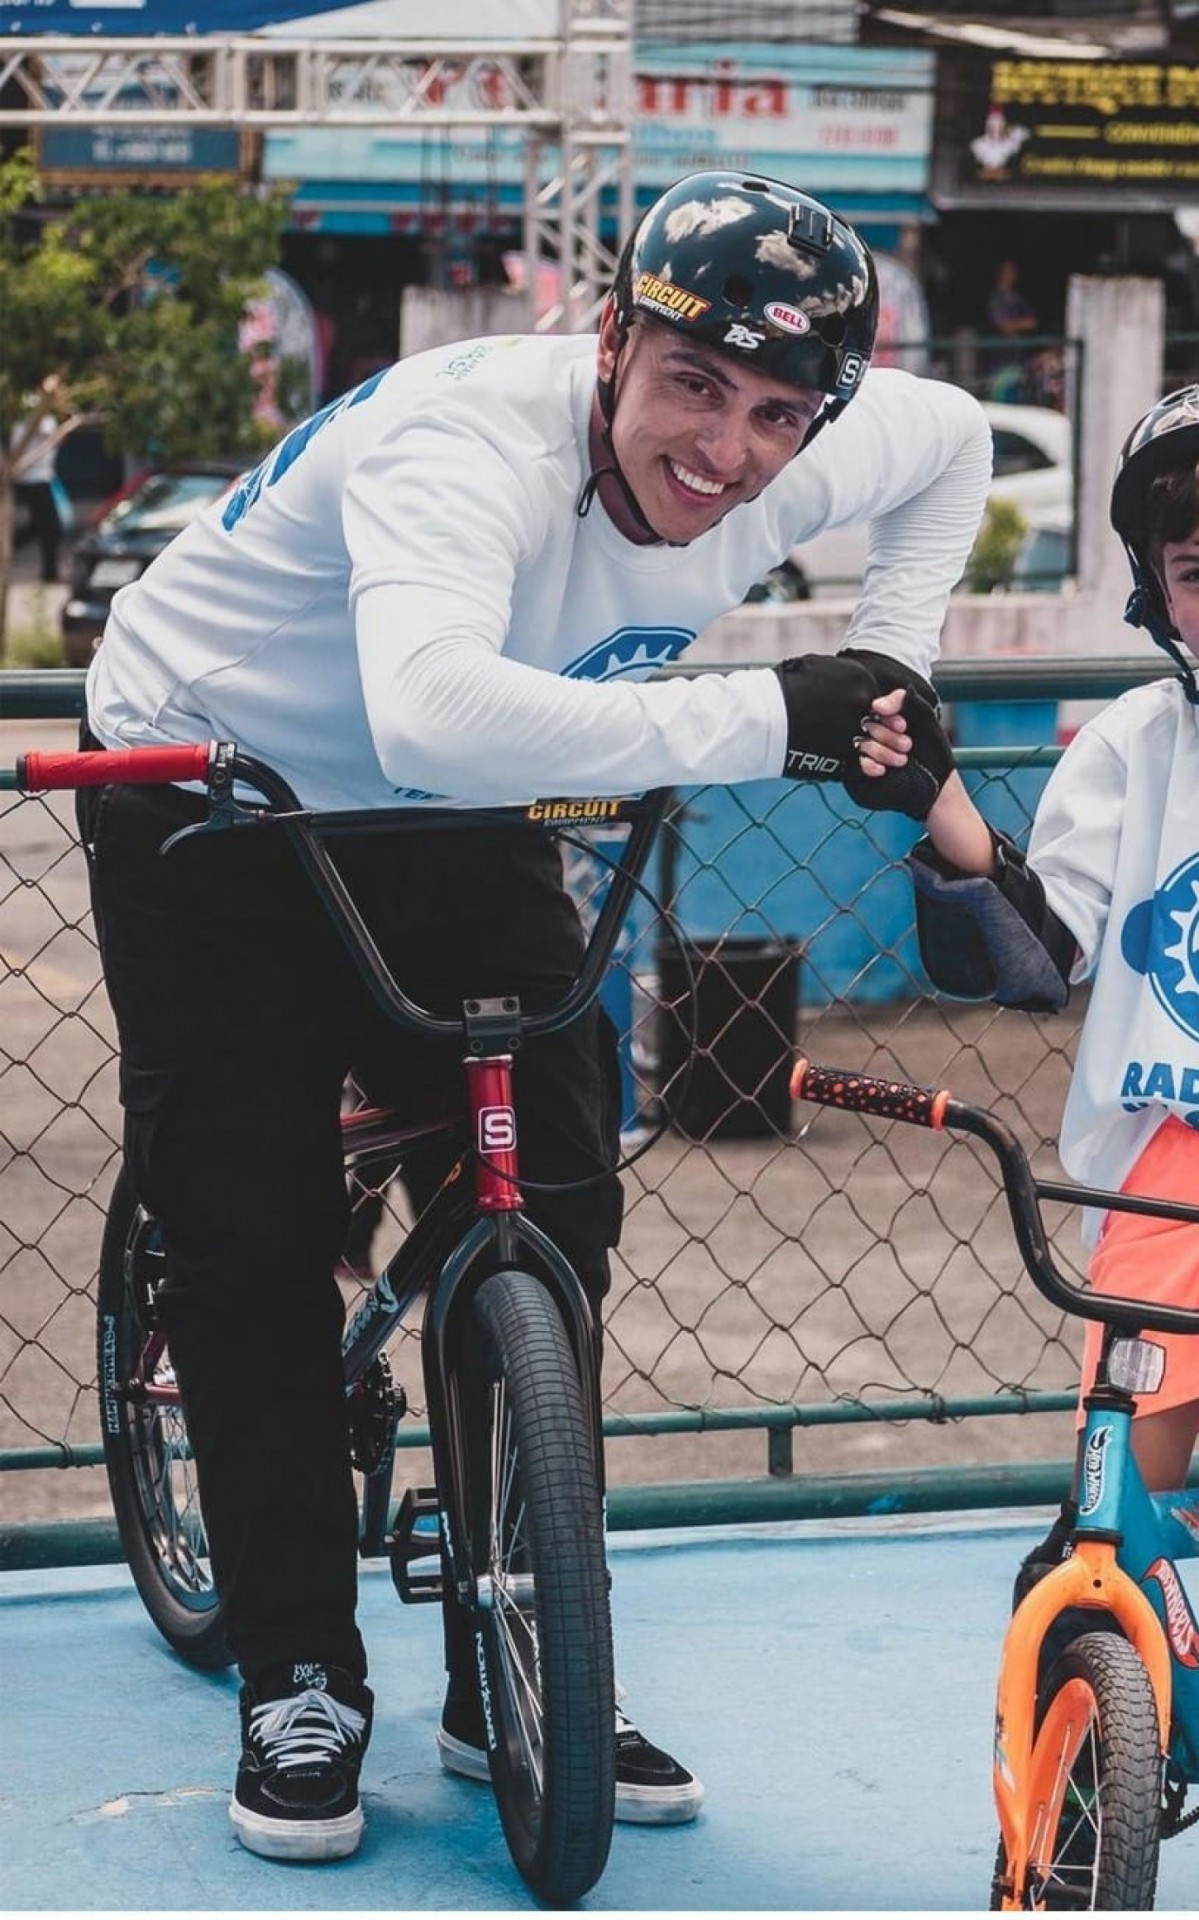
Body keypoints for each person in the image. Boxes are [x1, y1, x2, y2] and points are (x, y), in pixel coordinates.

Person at [77, 169, 990, 1864]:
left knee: (553, 1187)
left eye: (773, 413)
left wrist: (887, 665)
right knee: (250, 1221)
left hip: (450, 794)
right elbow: (429, 706)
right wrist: (767, 714)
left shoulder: (815, 442)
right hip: (214, 772)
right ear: (610, 341)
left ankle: (512, 1657)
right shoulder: (465, 451)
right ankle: (296, 1670)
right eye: (690, 385)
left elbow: (949, 448)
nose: (722, 448)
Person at [903, 383, 1199, 1592]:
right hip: (1175, 1166)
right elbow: (1035, 951)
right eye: (1193, 567)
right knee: (1109, 1528)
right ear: (1152, 589)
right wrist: (935, 795)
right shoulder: (1135, 745)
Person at [12, 396, 66, 585]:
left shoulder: (43, 420)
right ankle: (49, 572)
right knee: (50, 528)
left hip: (41, 477)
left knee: (38, 527)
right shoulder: (31, 421)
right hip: (34, 479)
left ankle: (49, 570)